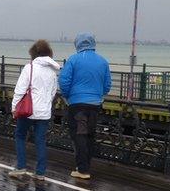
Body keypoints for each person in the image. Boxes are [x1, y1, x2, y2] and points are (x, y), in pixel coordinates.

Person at [59, 32, 111, 179]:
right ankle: (85, 166)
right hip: (95, 105)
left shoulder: (73, 59)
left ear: (78, 44)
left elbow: (64, 81)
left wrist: (68, 96)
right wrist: (98, 95)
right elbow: (107, 85)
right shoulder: (103, 61)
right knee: (90, 135)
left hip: (77, 104)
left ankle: (82, 170)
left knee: (79, 135)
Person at [9, 40, 61, 180]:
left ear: (33, 53)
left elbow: (20, 90)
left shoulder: (30, 68)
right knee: (40, 140)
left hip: (28, 110)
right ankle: (40, 172)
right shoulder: (52, 71)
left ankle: (21, 167)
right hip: (44, 112)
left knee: (20, 136)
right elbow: (53, 92)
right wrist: (45, 104)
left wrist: (14, 107)